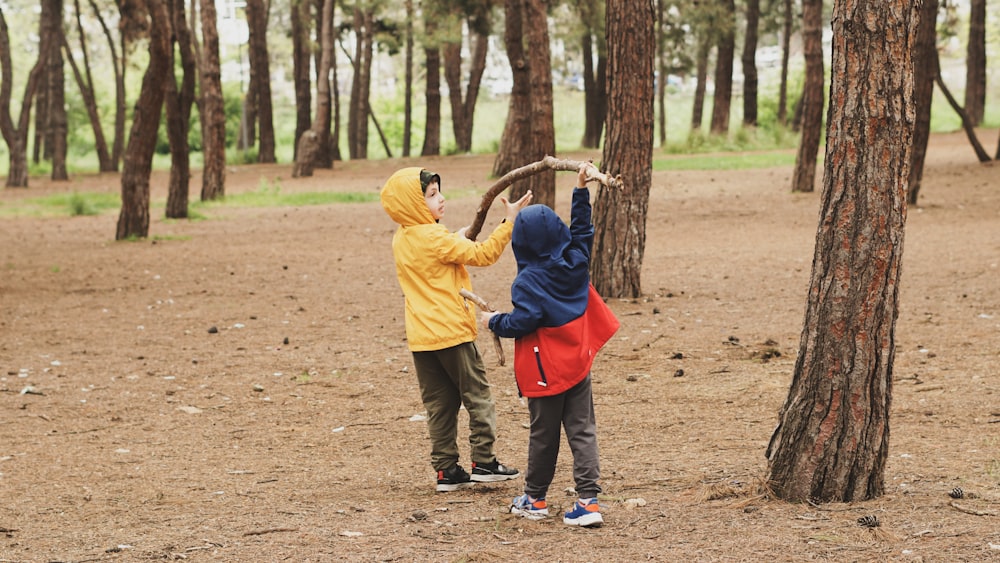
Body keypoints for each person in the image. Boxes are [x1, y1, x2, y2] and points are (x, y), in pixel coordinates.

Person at [480, 164, 619, 527]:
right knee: (583, 430)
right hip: (578, 362)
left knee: (543, 436)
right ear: (558, 232)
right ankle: (588, 502)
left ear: (521, 244)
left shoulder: (527, 282)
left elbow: (522, 322)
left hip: (547, 374)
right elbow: (582, 232)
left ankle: (535, 498)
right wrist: (580, 191)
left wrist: (493, 320)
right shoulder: (575, 261)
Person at [380, 167, 532, 492]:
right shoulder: (435, 238)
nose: (441, 198)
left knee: (440, 404)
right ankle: (484, 462)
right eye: (431, 195)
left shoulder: (404, 238)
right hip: (451, 333)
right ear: (412, 204)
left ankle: (446, 469)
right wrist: (509, 223)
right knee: (478, 396)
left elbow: (440, 252)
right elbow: (485, 254)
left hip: (422, 338)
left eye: (439, 191)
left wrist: (455, 239)